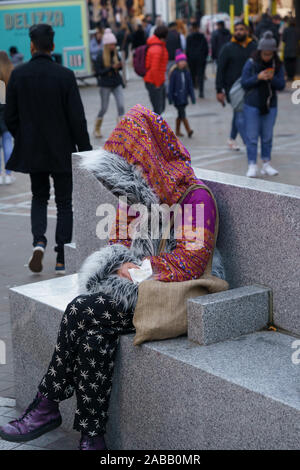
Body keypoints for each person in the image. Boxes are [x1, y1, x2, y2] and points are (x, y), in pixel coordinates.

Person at [0, 104, 225, 450]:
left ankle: (47, 404)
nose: (128, 179)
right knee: (92, 336)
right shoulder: (136, 194)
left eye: (132, 168)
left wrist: (138, 271)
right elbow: (118, 240)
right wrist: (121, 262)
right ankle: (92, 437)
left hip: (174, 297)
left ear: (148, 158)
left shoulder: (194, 196)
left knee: (80, 310)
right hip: (137, 294)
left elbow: (191, 261)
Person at [4, 24, 92, 274]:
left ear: (32, 46)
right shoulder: (65, 75)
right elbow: (77, 118)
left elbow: (9, 116)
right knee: (64, 202)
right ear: (52, 46)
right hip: (62, 150)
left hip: (34, 150)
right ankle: (62, 255)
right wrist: (84, 151)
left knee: (38, 196)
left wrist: (24, 137)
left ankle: (38, 242)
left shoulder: (19, 75)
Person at [241, 31, 285, 178]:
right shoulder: (251, 62)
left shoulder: (277, 64)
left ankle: (266, 164)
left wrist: (272, 79)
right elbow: (244, 83)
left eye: (269, 54)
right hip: (252, 104)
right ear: (260, 51)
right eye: (264, 53)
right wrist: (258, 77)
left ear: (273, 52)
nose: (267, 56)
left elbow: (282, 85)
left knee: (267, 136)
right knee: (252, 137)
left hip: (270, 105)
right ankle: (252, 164)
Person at [216, 21, 256, 151]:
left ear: (247, 31)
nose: (239, 32)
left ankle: (232, 139)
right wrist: (219, 90)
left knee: (238, 113)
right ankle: (247, 142)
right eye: (236, 29)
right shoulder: (227, 48)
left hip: (250, 85)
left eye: (241, 29)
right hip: (233, 88)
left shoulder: (253, 46)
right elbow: (220, 69)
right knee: (239, 114)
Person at [94, 28, 124, 138]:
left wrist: (119, 66)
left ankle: (121, 130)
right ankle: (97, 128)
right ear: (106, 45)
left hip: (116, 82)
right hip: (105, 84)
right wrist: (111, 68)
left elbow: (119, 68)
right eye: (111, 45)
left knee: (121, 105)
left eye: (114, 44)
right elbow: (97, 72)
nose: (113, 47)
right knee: (104, 108)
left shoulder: (116, 53)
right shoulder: (100, 55)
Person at [168, 49, 195, 137]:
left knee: (180, 114)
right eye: (181, 61)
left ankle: (177, 131)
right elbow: (171, 86)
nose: (183, 63)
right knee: (182, 113)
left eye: (184, 61)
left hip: (184, 97)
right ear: (177, 62)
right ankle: (189, 130)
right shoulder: (174, 73)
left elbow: (190, 86)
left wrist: (192, 97)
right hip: (177, 98)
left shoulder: (187, 73)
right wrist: (170, 97)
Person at [144, 25, 169, 115]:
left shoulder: (158, 46)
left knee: (160, 109)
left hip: (157, 80)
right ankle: (153, 128)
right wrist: (158, 84)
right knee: (158, 110)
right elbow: (154, 69)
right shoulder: (157, 49)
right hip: (154, 82)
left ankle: (154, 127)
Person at [0, 51, 14, 185]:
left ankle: (0, 174)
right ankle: (8, 174)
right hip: (7, 116)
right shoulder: (10, 75)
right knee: (8, 143)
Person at [186, 21, 208, 98]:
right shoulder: (202, 37)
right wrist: (204, 57)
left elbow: (187, 50)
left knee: (192, 75)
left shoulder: (189, 37)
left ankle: (192, 91)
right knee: (200, 75)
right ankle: (201, 91)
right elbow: (206, 49)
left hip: (192, 59)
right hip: (201, 59)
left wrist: (188, 59)